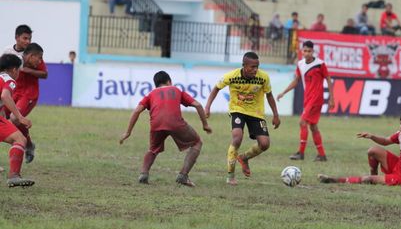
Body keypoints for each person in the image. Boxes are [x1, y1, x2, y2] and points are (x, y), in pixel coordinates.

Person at [120, 70, 212, 187]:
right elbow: (198, 105)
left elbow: (137, 110)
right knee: (197, 142)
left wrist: (128, 132)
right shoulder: (176, 90)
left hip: (156, 124)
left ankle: (144, 174)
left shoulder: (151, 94)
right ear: (169, 81)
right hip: (175, 123)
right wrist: (205, 125)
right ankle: (183, 176)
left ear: (156, 84)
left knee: (153, 149)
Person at [205, 52, 281, 185]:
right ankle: (230, 175)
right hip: (237, 110)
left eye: (257, 66)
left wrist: (275, 115)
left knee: (264, 144)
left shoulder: (263, 78)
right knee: (237, 136)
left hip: (256, 113)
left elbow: (269, 95)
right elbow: (216, 88)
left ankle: (244, 158)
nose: (255, 69)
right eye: (252, 67)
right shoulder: (232, 76)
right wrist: (207, 107)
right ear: (244, 66)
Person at [318, 112, 401, 188]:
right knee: (372, 151)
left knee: (368, 179)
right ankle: (374, 178)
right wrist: (372, 136)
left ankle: (335, 180)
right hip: (398, 167)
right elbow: (384, 141)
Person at [277, 41, 334, 162]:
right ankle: (322, 155)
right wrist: (283, 92)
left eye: (309, 51)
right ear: (302, 51)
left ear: (313, 52)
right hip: (307, 98)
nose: (307, 53)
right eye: (305, 51)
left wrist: (331, 98)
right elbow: (296, 80)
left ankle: (300, 153)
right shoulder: (300, 64)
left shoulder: (320, 64)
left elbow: (328, 79)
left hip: (316, 98)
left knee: (302, 122)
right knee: (313, 126)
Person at [4, 26, 47, 165]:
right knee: (3, 118)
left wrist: (27, 70)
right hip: (14, 91)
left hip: (29, 94)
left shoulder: (34, 53)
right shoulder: (8, 52)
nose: (27, 41)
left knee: (14, 118)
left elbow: (44, 73)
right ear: (16, 37)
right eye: (25, 38)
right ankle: (23, 143)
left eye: (29, 38)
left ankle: (26, 144)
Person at [0, 54, 34, 187]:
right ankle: (14, 176)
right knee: (20, 139)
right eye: (19, 70)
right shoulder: (9, 80)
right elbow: (5, 95)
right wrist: (19, 117)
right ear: (14, 69)